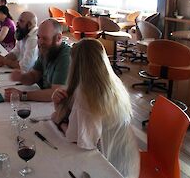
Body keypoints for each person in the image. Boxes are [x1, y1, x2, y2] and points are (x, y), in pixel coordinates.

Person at [51, 38, 140, 178]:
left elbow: (82, 141)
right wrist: (59, 105)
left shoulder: (85, 94)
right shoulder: (114, 85)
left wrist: (59, 121)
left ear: (75, 65)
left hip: (108, 166)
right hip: (126, 158)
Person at [4, 18, 71, 102]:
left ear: (58, 38)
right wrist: (21, 77)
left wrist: (23, 95)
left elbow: (55, 94)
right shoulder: (47, 50)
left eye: (45, 38)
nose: (40, 42)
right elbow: (34, 76)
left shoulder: (66, 56)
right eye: (38, 37)